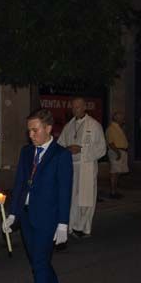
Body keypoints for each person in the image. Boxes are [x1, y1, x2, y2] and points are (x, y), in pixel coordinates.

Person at [3, 109, 73, 283]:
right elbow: (20, 184)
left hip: (48, 219)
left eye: (35, 130)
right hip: (26, 216)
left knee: (41, 263)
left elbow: (65, 191)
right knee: (37, 263)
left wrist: (63, 223)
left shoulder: (61, 155)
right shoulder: (26, 153)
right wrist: (13, 213)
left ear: (48, 129)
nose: (31, 135)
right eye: (29, 131)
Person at [57, 97, 106, 237]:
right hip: (71, 166)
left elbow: (102, 148)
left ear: (85, 107)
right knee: (72, 197)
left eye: (78, 107)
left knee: (86, 198)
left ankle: (84, 228)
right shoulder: (68, 126)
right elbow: (60, 145)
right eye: (73, 107)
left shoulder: (94, 125)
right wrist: (67, 149)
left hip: (87, 166)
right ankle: (71, 225)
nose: (75, 109)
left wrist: (82, 149)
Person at [106, 110, 129, 199]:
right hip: (116, 151)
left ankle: (115, 191)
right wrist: (118, 152)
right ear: (116, 118)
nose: (123, 119)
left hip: (120, 151)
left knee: (117, 172)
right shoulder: (111, 128)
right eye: (121, 118)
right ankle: (112, 192)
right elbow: (111, 143)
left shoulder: (118, 128)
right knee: (114, 172)